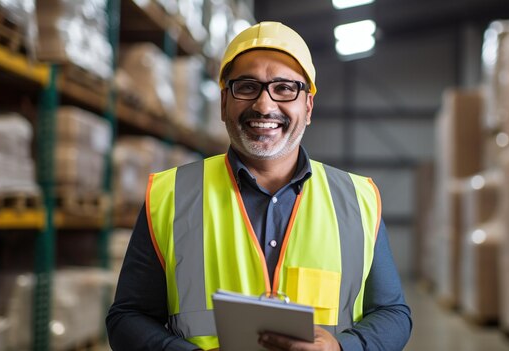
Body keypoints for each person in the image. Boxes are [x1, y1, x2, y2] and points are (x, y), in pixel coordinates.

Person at [106, 21, 412, 351]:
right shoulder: (170, 195)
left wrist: (340, 348)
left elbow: (393, 314)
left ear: (307, 107)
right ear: (224, 102)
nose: (264, 106)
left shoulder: (358, 199)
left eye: (284, 89)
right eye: (247, 87)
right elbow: (127, 318)